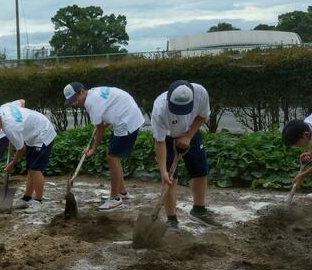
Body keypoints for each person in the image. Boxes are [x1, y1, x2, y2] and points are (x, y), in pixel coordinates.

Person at [64, 82, 146, 211]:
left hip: (126, 120)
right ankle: (122, 193)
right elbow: (108, 112)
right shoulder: (94, 93)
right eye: (72, 101)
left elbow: (100, 129)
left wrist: (93, 149)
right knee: (114, 156)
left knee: (112, 156)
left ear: (82, 92)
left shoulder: (91, 103)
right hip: (127, 116)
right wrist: (100, 125)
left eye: (75, 99)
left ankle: (115, 199)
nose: (75, 103)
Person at [151, 80, 221, 228]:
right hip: (168, 139)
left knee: (200, 171)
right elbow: (159, 141)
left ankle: (199, 210)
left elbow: (202, 116)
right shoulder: (160, 108)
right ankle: (172, 220)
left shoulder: (200, 93)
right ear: (168, 99)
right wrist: (163, 171)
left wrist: (188, 136)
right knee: (170, 179)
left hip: (191, 132)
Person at [0, 102, 57, 211]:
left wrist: (12, 163)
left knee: (35, 170)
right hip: (32, 134)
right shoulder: (2, 108)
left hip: (43, 133)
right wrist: (17, 132)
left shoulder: (10, 128)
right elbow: (21, 104)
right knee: (30, 169)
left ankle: (38, 201)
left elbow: (21, 149)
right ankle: (26, 199)